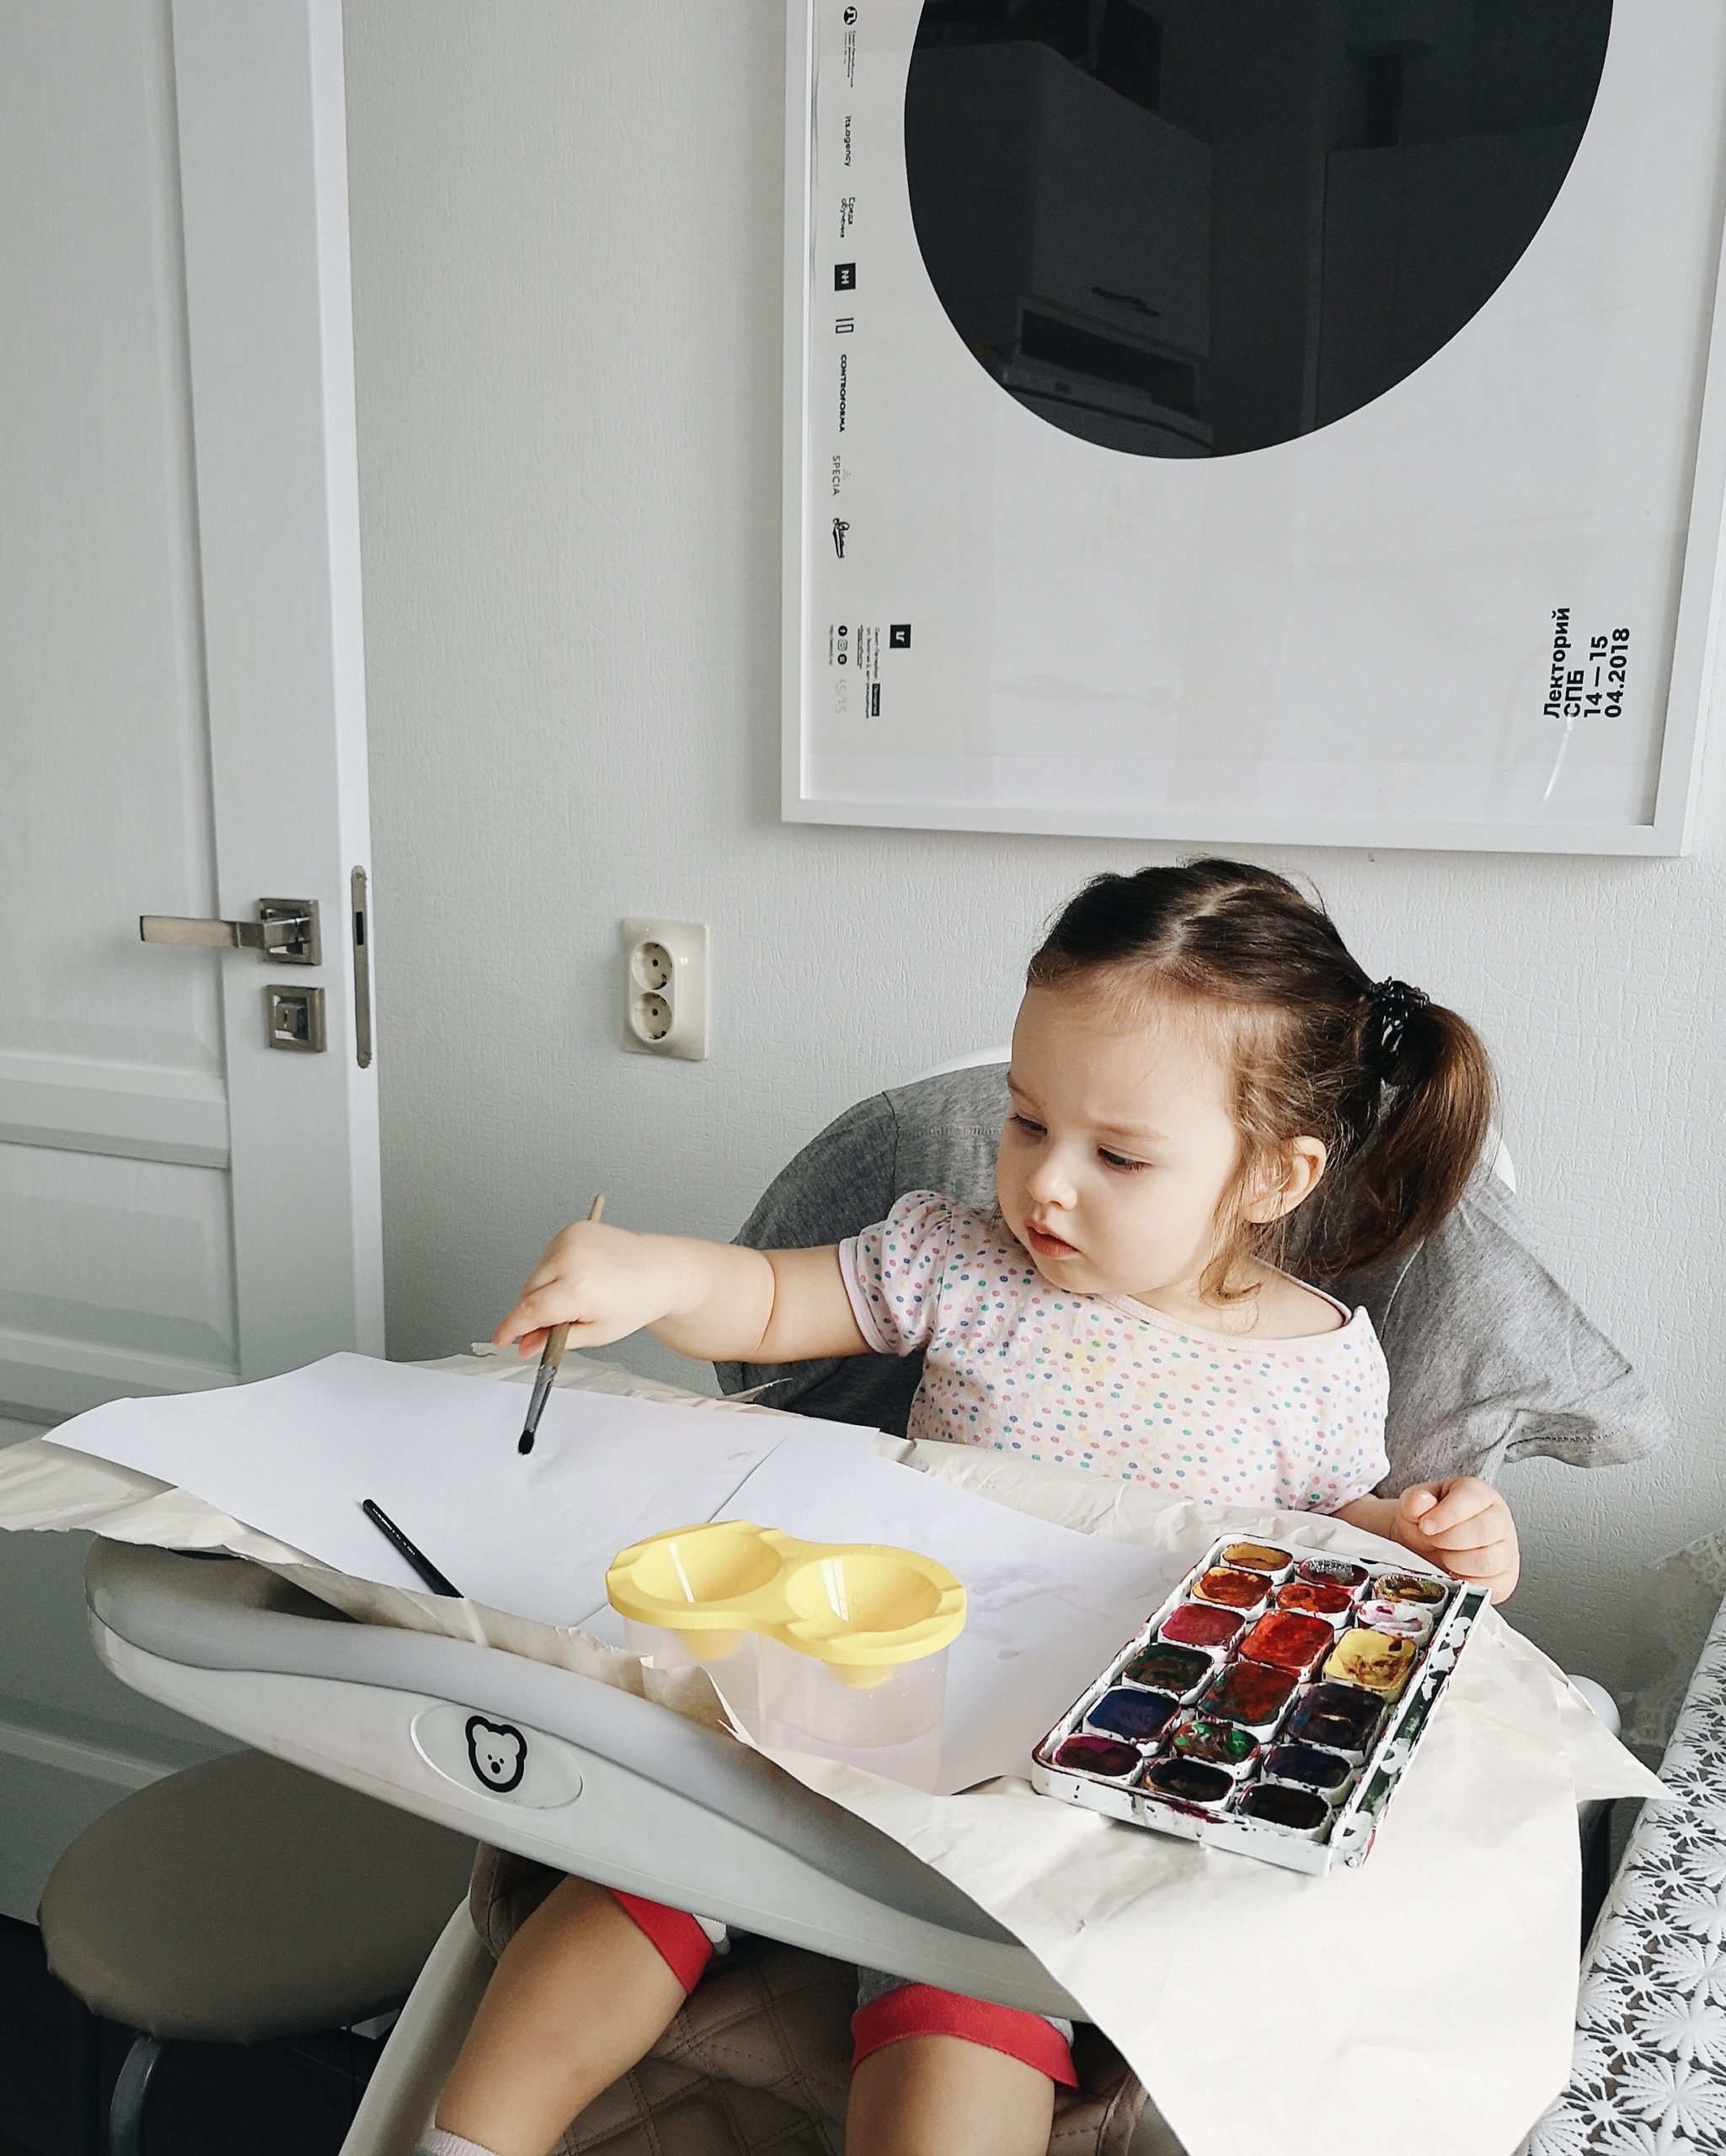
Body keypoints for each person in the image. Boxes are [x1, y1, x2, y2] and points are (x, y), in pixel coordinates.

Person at [420, 858, 1520, 2156]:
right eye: (1023, 1122)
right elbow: (772, 1304)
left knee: (966, 2006)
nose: (1045, 1185)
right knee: (646, 1873)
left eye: (1116, 1154)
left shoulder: (1318, 1361)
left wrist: (1428, 1542)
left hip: (1061, 1788)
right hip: (850, 1686)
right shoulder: (961, 1260)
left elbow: (1329, 1562)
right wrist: (651, 1272)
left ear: (1273, 1178)